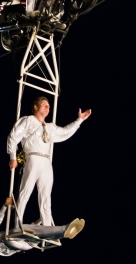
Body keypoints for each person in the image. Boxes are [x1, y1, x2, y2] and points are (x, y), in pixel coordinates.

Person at [7, 95, 91, 228]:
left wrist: (79, 120)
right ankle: (17, 225)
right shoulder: (28, 120)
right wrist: (13, 157)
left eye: (49, 106)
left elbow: (65, 132)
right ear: (35, 107)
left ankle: (47, 226)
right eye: (44, 105)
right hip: (33, 158)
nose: (47, 108)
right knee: (25, 192)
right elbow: (13, 137)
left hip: (46, 161)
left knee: (46, 197)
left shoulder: (50, 127)